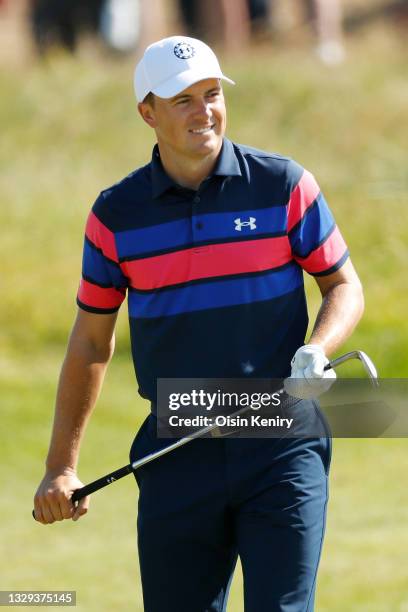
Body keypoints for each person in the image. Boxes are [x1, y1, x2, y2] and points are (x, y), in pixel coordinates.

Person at [33, 35, 364, 611]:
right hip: (178, 441)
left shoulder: (283, 185)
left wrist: (319, 346)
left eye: (211, 94)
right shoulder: (116, 215)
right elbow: (91, 340)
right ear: (147, 112)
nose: (203, 110)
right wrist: (61, 466)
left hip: (280, 432)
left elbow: (343, 285)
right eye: (182, 99)